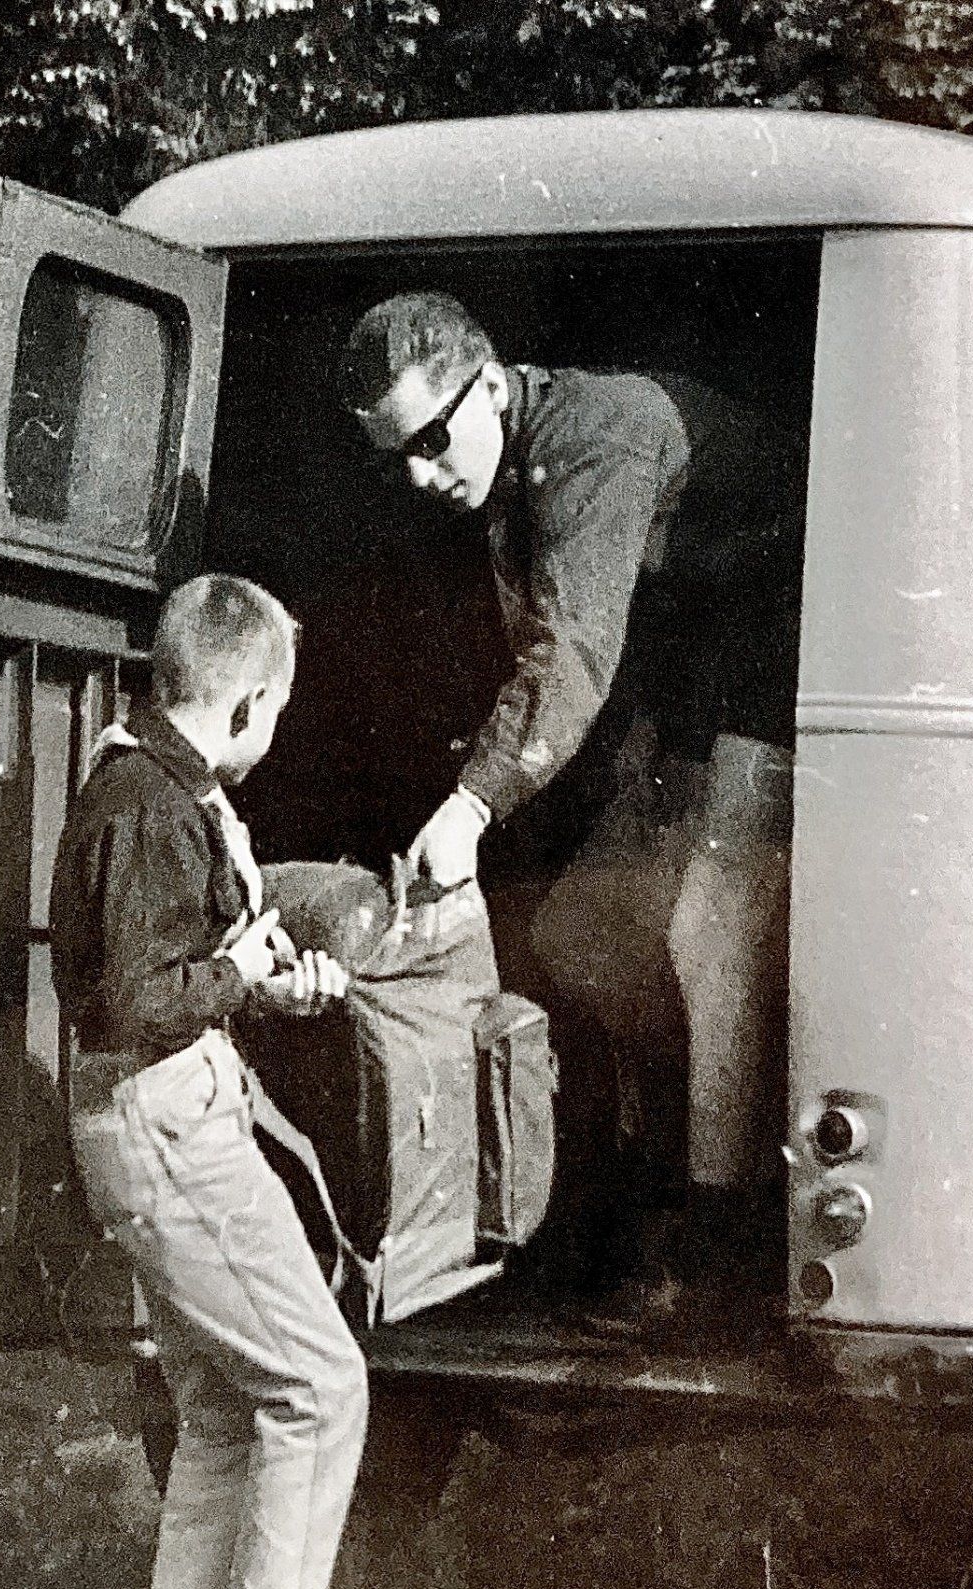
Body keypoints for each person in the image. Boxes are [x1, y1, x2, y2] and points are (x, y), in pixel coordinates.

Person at [338, 292, 800, 1329]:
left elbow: (573, 654)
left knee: (710, 936)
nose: (417, 472)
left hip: (801, 645)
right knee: (583, 931)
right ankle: (657, 1179)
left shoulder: (597, 438)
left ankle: (717, 1255)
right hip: (701, 682)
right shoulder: (504, 464)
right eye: (393, 455)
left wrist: (470, 807)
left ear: (490, 384)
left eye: (428, 437)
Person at [49, 573, 363, 1589]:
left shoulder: (140, 783)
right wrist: (235, 978)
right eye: (273, 715)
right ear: (244, 707)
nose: (270, 734)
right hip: (167, 1126)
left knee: (225, 1418)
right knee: (320, 1391)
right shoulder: (152, 810)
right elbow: (141, 999)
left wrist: (256, 982)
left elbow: (159, 973)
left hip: (149, 1120)